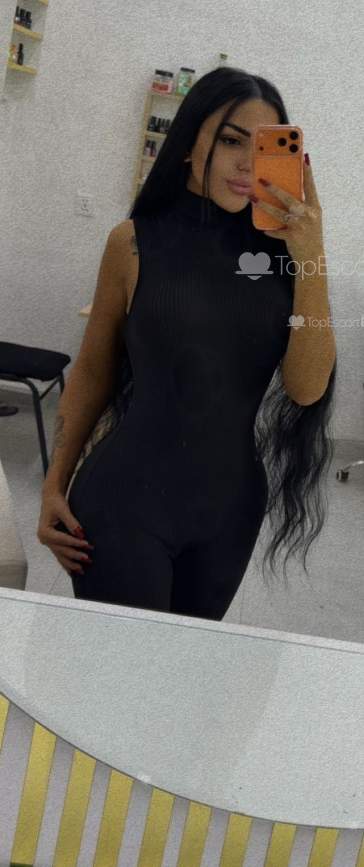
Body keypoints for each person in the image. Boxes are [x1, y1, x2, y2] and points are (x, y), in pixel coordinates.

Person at [37, 66, 337, 620]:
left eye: (264, 147)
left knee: (184, 670)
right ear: (187, 143)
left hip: (231, 514)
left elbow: (306, 387)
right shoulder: (132, 244)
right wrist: (53, 486)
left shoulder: (286, 259)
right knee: (126, 668)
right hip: (123, 504)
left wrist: (311, 255)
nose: (247, 164)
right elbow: (93, 370)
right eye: (230, 141)